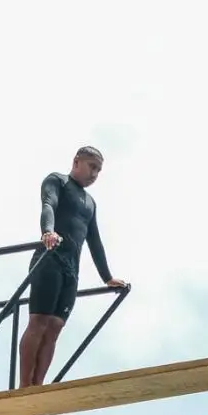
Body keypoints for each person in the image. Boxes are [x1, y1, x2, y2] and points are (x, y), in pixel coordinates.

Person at [18, 146, 127, 388]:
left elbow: (94, 240)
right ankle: (24, 386)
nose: (95, 174)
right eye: (92, 167)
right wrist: (48, 231)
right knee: (39, 321)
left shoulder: (90, 203)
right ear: (77, 162)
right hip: (49, 258)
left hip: (71, 269)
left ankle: (37, 386)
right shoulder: (57, 181)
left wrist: (106, 277)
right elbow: (48, 205)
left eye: (99, 170)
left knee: (55, 327)